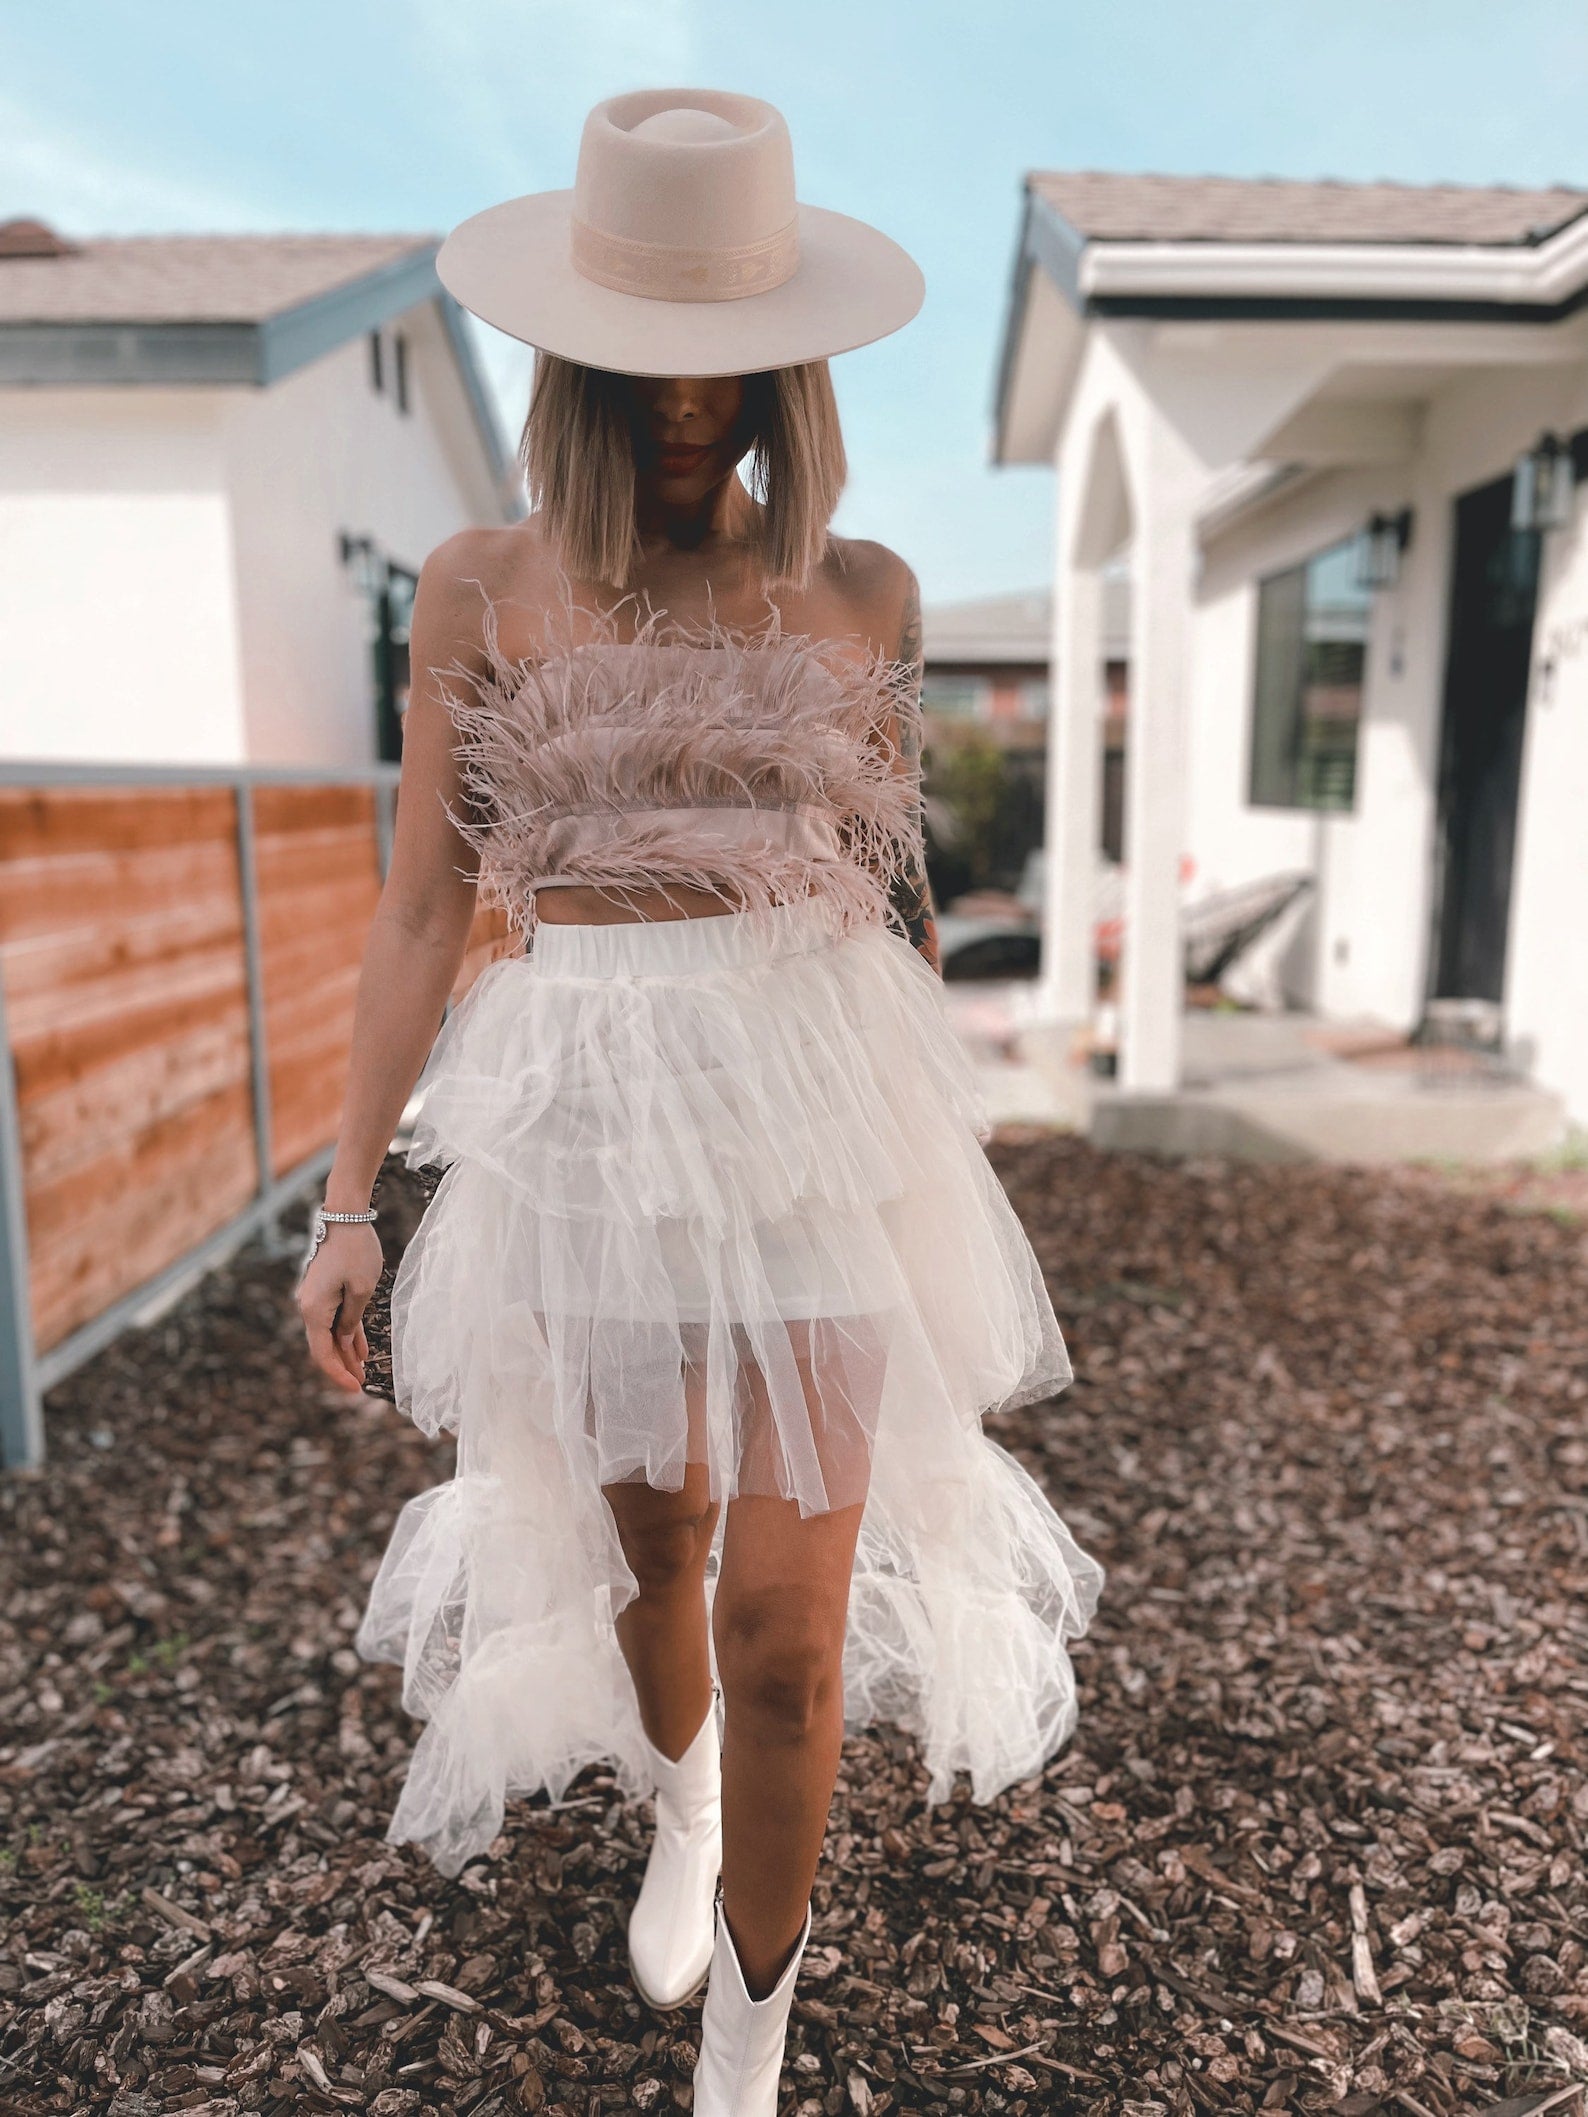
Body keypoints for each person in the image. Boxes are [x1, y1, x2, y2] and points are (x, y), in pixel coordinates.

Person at [296, 87, 1104, 2116]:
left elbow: (883, 902)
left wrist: (935, 1137)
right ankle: (675, 1816)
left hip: (814, 1108)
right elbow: (418, 911)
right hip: (581, 1116)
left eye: (727, 366)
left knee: (787, 1629)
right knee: (651, 1551)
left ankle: (746, 2038)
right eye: (642, 368)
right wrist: (344, 1199)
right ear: (572, 362)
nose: (687, 408)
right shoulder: (484, 584)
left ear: (787, 364)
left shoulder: (867, 598)